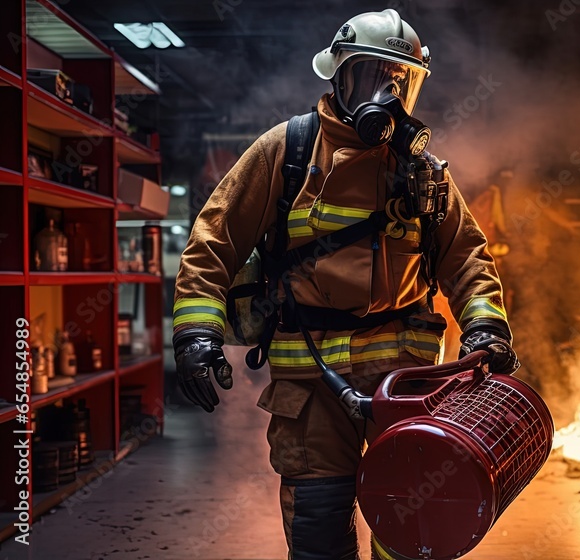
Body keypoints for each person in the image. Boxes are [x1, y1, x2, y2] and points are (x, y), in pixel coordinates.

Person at [171, 9, 517, 559]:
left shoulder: (422, 171)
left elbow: (466, 259)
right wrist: (195, 337)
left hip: (405, 385)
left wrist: (485, 326)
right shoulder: (286, 152)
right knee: (318, 530)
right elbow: (212, 244)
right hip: (310, 387)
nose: (388, 91)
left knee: (410, 527)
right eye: (374, 75)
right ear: (340, 75)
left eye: (401, 81)